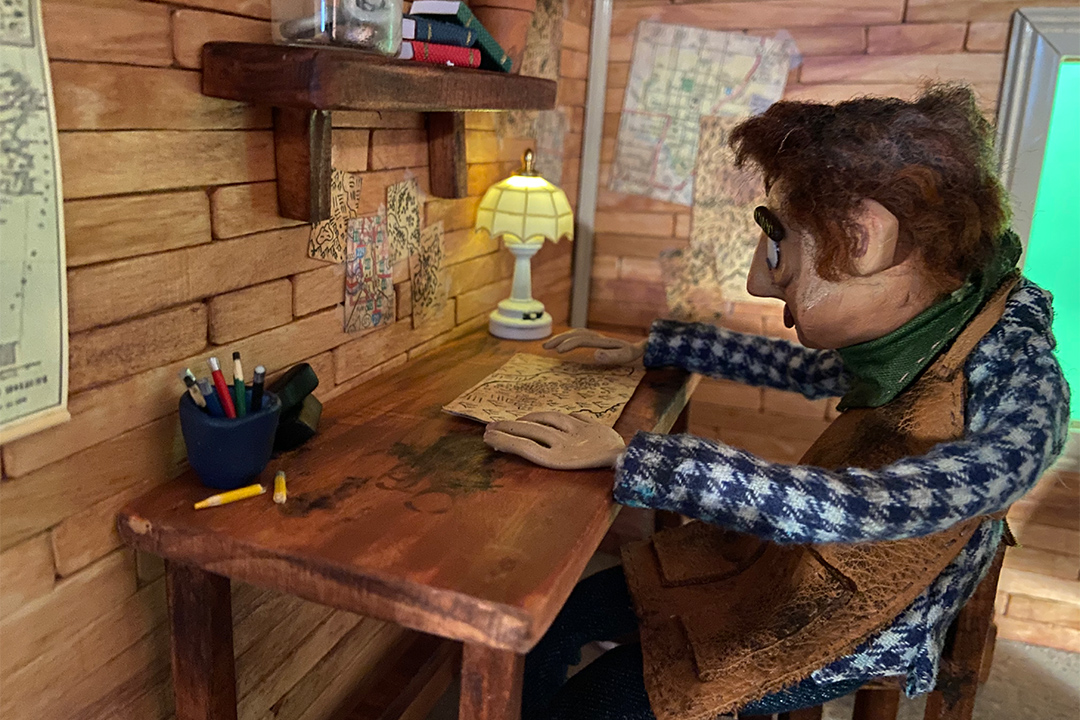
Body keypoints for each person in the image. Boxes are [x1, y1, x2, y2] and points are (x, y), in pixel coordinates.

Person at [482, 84, 1071, 720]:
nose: (759, 282)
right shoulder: (933, 319)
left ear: (863, 236)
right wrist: (655, 348)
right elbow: (809, 370)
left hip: (862, 612)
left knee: (604, 702)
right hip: (792, 560)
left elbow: (872, 510)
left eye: (777, 251)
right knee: (555, 619)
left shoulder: (1020, 377)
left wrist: (642, 462)